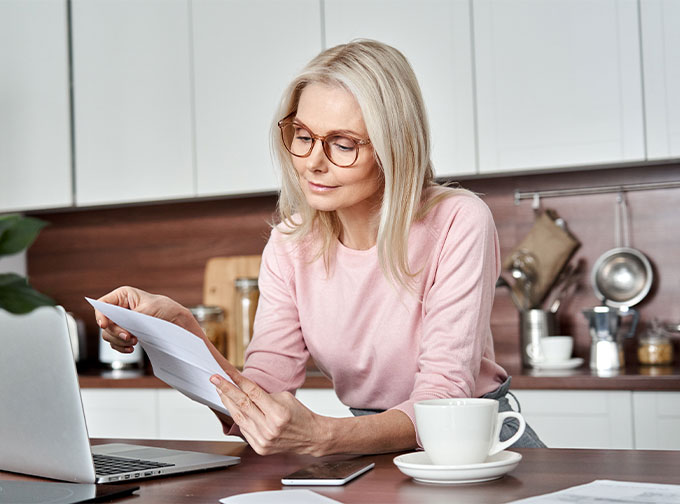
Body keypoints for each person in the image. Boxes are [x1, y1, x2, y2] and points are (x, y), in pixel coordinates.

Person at [95, 39, 544, 456]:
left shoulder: (458, 220)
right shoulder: (292, 243)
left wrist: (326, 437)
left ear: (394, 148)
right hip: (369, 445)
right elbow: (261, 399)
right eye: (304, 135)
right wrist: (183, 331)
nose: (312, 161)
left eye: (343, 144)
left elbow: (443, 400)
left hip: (473, 442)